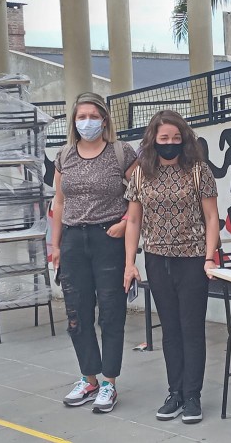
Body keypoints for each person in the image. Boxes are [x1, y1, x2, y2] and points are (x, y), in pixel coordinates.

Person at [123, 110, 220, 424]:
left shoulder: (198, 171)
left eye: (176, 138)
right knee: (170, 330)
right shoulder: (141, 174)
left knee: (191, 329)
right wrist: (129, 263)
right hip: (156, 260)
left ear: (185, 139)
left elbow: (212, 218)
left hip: (192, 260)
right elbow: (133, 220)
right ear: (153, 140)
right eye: (164, 138)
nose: (170, 143)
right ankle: (174, 392)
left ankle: (192, 396)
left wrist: (209, 257)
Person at [51, 92, 137, 413]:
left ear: (104, 119)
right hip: (73, 240)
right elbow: (59, 202)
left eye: (93, 116)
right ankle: (89, 379)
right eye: (81, 116)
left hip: (108, 240)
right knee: (77, 314)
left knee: (111, 312)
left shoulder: (121, 153)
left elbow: (139, 194)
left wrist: (125, 222)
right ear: (74, 121)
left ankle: (109, 383)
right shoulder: (64, 156)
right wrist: (55, 246)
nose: (87, 122)